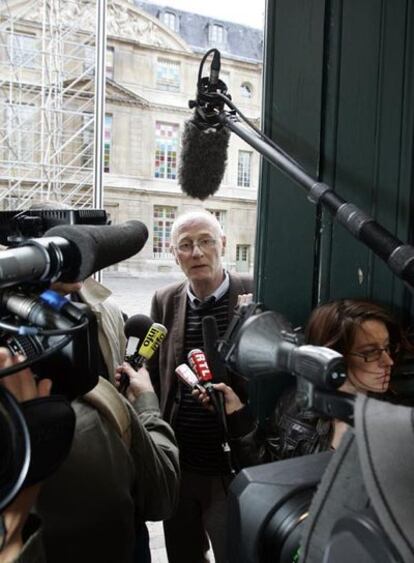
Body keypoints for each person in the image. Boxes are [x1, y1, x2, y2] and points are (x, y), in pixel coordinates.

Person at [148, 210, 253, 563]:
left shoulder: (254, 293)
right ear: (175, 255)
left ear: (222, 244)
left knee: (233, 553)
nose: (197, 252)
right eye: (186, 245)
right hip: (180, 465)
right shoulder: (164, 300)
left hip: (232, 467)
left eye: (206, 241)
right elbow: (155, 372)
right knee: (182, 555)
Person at [195, 299, 405, 467]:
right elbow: (268, 468)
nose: (388, 362)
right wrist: (237, 413)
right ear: (334, 354)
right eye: (370, 353)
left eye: (388, 348)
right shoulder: (296, 402)